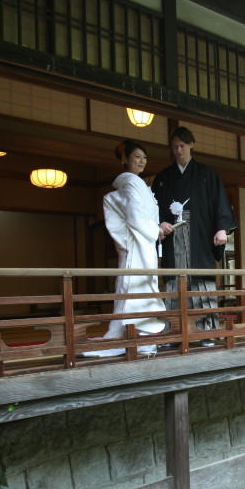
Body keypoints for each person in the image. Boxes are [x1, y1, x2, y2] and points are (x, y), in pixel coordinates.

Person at [151, 126, 237, 343]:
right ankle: (173, 333)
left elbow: (220, 203)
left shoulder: (207, 174)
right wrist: (159, 224)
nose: (178, 150)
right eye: (175, 147)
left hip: (199, 235)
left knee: (200, 282)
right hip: (173, 237)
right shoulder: (163, 177)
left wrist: (221, 229)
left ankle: (206, 332)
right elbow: (153, 208)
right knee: (175, 283)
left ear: (191, 145)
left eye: (182, 145)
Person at [81, 140, 165, 357]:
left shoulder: (138, 184)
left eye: (144, 157)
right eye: (137, 156)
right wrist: (155, 230)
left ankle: (138, 337)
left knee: (139, 288)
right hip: (137, 246)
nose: (142, 161)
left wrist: (156, 229)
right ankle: (128, 336)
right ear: (124, 159)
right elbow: (135, 216)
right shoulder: (131, 183)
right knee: (132, 288)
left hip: (143, 245)